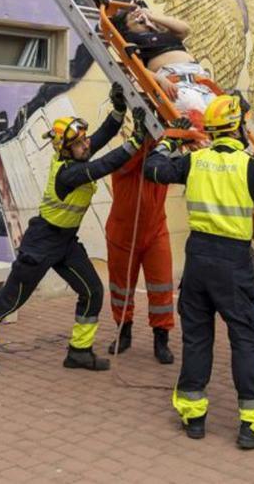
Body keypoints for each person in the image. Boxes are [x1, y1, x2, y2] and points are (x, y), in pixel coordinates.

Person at [144, 93, 254, 449]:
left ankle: (193, 416)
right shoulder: (251, 166)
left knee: (197, 337)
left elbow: (154, 169)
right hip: (232, 262)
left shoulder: (194, 161)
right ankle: (253, 426)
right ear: (239, 128)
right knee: (245, 337)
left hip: (197, 258)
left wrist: (168, 139)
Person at [0, 85, 144, 374]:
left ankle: (79, 352)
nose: (86, 144)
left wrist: (119, 110)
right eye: (80, 143)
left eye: (84, 140)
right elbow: (105, 165)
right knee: (13, 297)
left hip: (65, 242)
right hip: (41, 241)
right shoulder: (69, 172)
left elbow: (101, 136)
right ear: (65, 148)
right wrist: (135, 143)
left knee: (92, 291)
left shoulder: (77, 153)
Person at [106, 138, 176, 365]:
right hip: (122, 236)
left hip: (156, 233)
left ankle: (161, 339)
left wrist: (175, 140)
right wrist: (153, 142)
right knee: (121, 289)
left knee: (161, 287)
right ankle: (123, 332)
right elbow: (129, 162)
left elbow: (175, 166)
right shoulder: (123, 156)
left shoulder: (162, 160)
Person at [110, 0, 215, 125]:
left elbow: (185, 29)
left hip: (200, 81)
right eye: (132, 17)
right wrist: (160, 80)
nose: (137, 16)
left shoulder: (162, 32)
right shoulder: (131, 40)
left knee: (222, 116)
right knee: (203, 122)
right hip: (176, 84)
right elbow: (134, 69)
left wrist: (151, 17)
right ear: (126, 27)